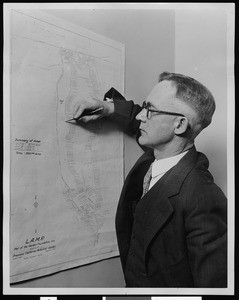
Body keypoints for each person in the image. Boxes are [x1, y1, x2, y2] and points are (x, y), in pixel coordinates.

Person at [73, 71, 227, 287]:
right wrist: (107, 107)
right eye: (145, 107)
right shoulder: (164, 145)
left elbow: (213, 288)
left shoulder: (203, 196)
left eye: (150, 110)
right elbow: (136, 118)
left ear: (180, 126)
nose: (140, 116)